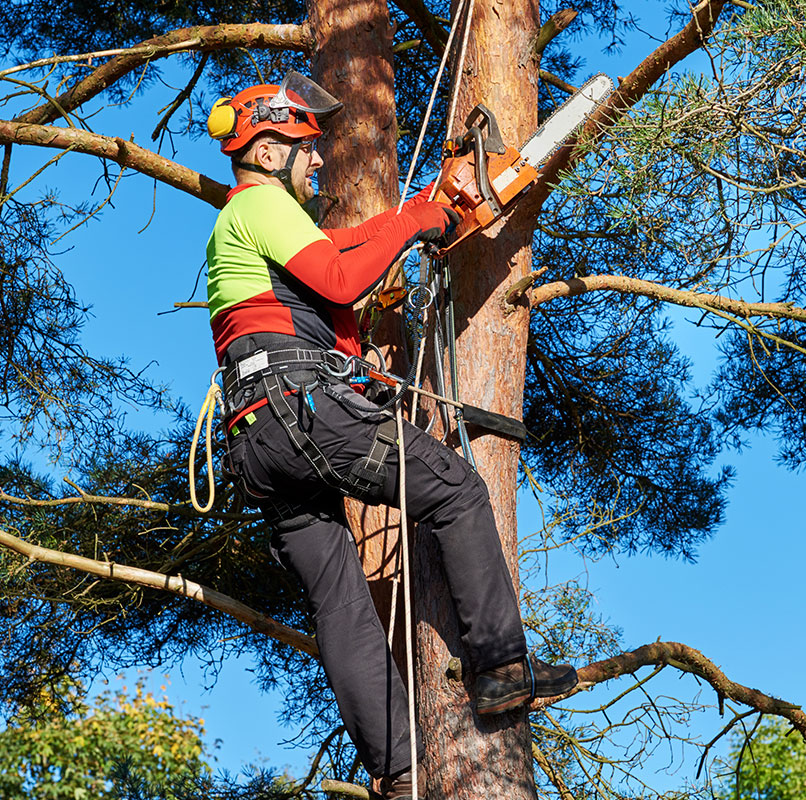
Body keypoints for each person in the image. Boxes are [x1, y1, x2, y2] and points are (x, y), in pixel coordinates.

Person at [204, 72, 578, 799]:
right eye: (308, 149)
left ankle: (399, 773)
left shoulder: (251, 231)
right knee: (456, 490)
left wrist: (422, 213)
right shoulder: (260, 206)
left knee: (340, 603)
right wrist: (414, 220)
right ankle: (500, 668)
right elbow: (343, 276)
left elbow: (337, 258)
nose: (318, 162)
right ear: (272, 148)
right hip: (297, 410)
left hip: (260, 439)